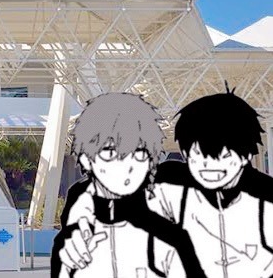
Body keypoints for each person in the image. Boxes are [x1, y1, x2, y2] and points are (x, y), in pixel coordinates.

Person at [58, 87, 273, 278]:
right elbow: (105, 189)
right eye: (199, 154)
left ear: (245, 156)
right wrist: (79, 220)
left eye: (225, 156)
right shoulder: (172, 182)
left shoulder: (263, 196)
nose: (210, 166)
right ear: (186, 154)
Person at [50, 92, 205, 278]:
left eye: (139, 153)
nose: (127, 166)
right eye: (110, 153)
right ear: (86, 159)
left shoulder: (167, 230)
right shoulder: (78, 209)